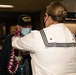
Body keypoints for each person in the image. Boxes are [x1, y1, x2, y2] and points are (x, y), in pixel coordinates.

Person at [12, 2, 76, 75]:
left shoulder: (37, 37)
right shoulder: (72, 37)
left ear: (46, 16)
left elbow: (15, 43)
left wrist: (15, 35)